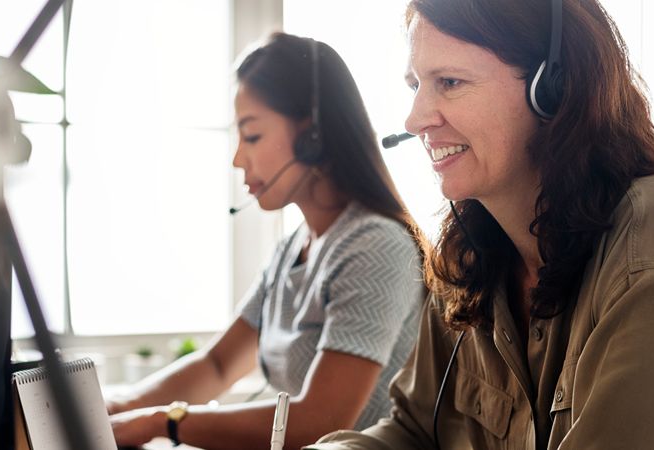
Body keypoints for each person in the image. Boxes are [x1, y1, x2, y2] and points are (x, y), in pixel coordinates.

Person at [310, 0, 654, 449]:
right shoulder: (470, 251)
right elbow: (413, 432)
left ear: (552, 88)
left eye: (450, 82)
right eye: (415, 85)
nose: (415, 118)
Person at [107, 32, 430, 449]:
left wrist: (161, 423)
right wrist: (117, 407)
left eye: (253, 136)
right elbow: (219, 364)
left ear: (313, 136)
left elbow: (318, 421)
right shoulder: (292, 249)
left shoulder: (375, 245)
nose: (238, 159)